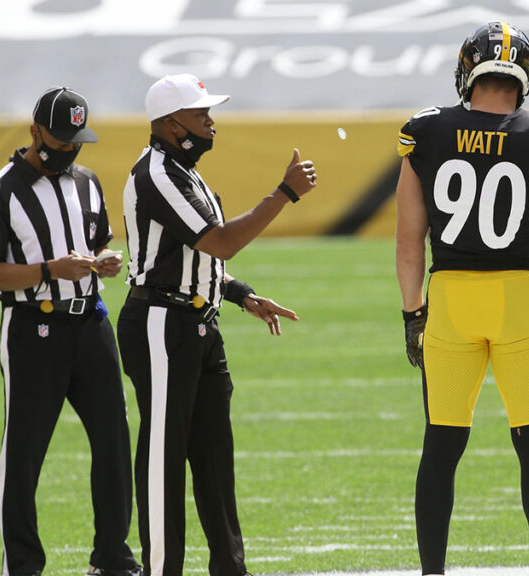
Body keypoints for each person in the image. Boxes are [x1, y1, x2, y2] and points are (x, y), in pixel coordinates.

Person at [395, 21, 529, 576]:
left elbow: (409, 241)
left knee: (440, 448)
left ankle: (432, 572)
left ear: (467, 70)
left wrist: (414, 314)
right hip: (520, 304)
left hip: (451, 301)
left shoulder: (426, 132)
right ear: (523, 76)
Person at [116, 73, 317, 576]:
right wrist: (284, 194)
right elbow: (219, 242)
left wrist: (242, 294)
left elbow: (200, 260)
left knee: (213, 461)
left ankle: (230, 569)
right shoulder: (156, 173)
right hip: (161, 324)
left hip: (196, 323)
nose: (210, 121)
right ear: (168, 122)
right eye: (199, 112)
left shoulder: (186, 172)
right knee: (164, 459)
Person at [0, 87, 141, 576]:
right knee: (24, 453)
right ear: (34, 131)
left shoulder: (86, 181)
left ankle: (112, 559)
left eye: (75, 141)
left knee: (112, 440)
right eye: (59, 139)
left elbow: (96, 247)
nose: (67, 149)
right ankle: (22, 565)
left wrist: (103, 265)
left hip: (90, 322)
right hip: (33, 327)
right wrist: (49, 269)